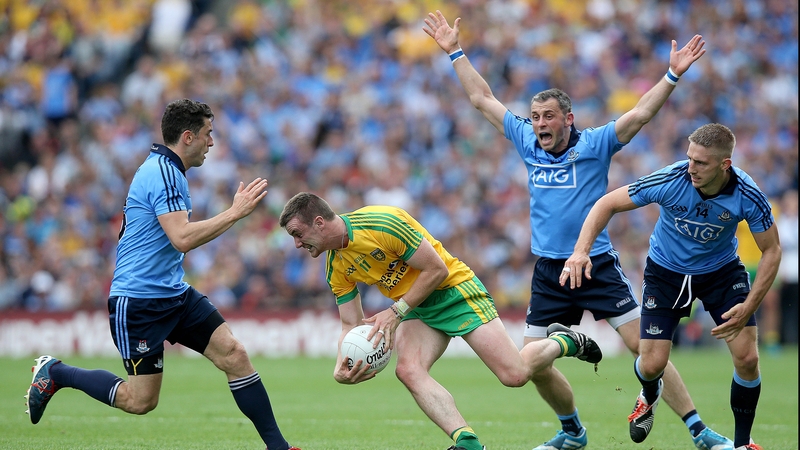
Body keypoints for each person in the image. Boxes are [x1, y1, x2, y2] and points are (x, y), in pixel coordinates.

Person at [423, 9, 727, 449]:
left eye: (548, 116)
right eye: (535, 116)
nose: (540, 124)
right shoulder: (526, 140)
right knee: (528, 366)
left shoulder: (595, 143)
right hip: (550, 271)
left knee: (647, 351)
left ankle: (699, 430)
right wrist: (454, 51)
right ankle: (573, 431)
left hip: (596, 263)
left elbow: (640, 114)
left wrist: (672, 76)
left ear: (567, 119)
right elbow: (482, 99)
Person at [25, 98, 300, 450]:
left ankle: (279, 448)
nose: (212, 142)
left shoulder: (165, 169)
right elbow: (181, 238)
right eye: (208, 134)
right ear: (188, 137)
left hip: (173, 292)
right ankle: (56, 372)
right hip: (138, 300)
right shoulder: (164, 173)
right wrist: (234, 213)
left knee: (233, 353)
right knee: (140, 401)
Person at [279, 192, 602, 450]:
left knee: (514, 376)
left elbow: (437, 270)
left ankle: (565, 341)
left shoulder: (382, 222)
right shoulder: (335, 265)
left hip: (454, 291)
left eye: (297, 234)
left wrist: (395, 312)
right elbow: (350, 324)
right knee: (408, 370)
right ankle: (468, 442)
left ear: (319, 222)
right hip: (417, 308)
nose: (296, 244)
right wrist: (343, 363)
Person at [561, 123, 780, 450]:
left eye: (701, 162)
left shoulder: (748, 194)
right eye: (689, 158)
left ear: (725, 165)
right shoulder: (670, 179)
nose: (690, 167)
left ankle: (742, 443)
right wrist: (580, 252)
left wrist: (750, 305)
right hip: (666, 272)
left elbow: (772, 250)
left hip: (720, 272)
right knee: (652, 365)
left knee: (747, 358)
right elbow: (606, 204)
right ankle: (650, 393)